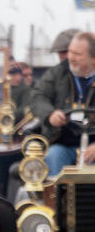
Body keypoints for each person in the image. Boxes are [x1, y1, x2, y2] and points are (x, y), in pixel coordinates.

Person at [32, 30, 95, 175]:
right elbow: (38, 96)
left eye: (77, 54)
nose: (70, 57)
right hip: (63, 143)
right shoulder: (57, 73)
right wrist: (50, 114)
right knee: (53, 155)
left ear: (93, 59)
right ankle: (57, 197)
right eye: (70, 52)